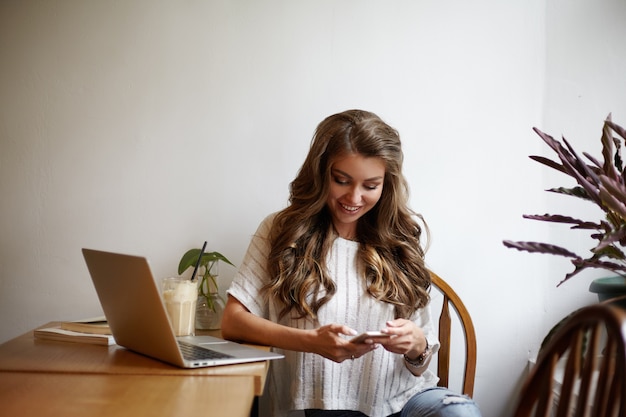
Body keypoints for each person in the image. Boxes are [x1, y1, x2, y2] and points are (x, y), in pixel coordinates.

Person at [222, 110, 481, 417]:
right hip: (323, 406)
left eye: (370, 186)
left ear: (387, 183)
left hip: (405, 400)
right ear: (321, 173)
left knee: (460, 413)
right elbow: (232, 322)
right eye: (341, 180)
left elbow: (420, 363)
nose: (354, 197)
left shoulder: (400, 238)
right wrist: (311, 342)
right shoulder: (282, 231)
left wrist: (416, 343)